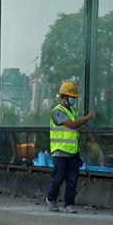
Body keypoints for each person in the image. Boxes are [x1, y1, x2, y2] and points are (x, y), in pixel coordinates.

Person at [46, 80, 96, 213]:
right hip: (60, 151)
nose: (74, 100)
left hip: (73, 152)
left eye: (74, 98)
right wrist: (88, 117)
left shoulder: (71, 110)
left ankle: (68, 204)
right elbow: (73, 125)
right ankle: (51, 199)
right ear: (63, 96)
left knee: (72, 180)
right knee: (58, 178)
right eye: (72, 97)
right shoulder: (57, 112)